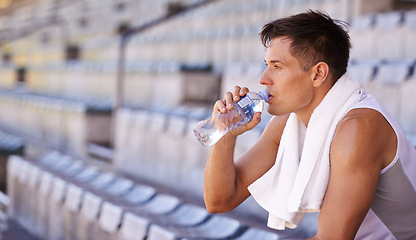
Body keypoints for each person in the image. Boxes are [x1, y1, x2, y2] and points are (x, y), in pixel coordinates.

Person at [203, 10, 416, 240]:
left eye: (277, 66)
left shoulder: (357, 128)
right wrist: (225, 134)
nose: (263, 79)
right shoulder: (289, 122)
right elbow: (220, 201)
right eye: (266, 64)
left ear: (318, 74)